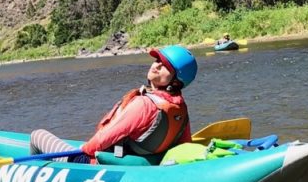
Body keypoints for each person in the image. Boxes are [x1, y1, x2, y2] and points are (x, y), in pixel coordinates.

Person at [30, 45, 198, 164]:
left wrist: (85, 149)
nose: (157, 65)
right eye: (157, 60)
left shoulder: (144, 105)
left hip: (97, 165)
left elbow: (104, 138)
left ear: (176, 81)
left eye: (166, 66)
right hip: (138, 164)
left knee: (37, 135)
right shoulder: (180, 108)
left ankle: (31, 175)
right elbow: (186, 144)